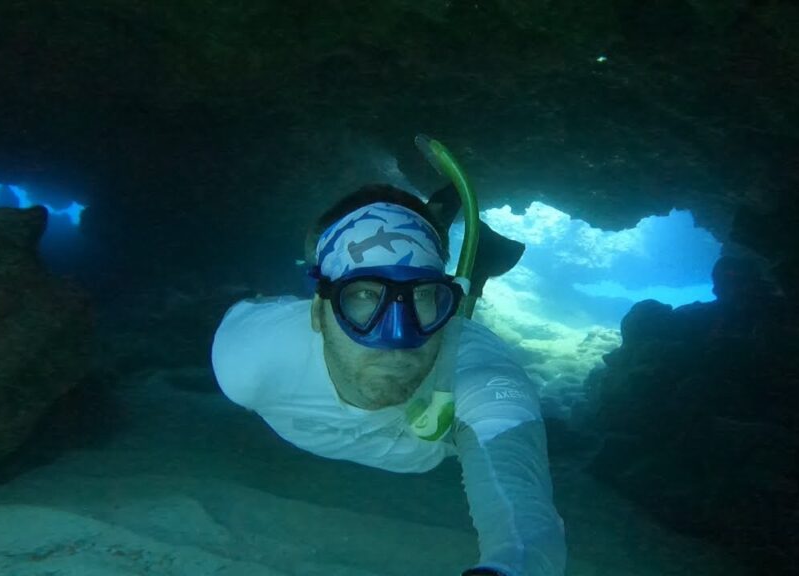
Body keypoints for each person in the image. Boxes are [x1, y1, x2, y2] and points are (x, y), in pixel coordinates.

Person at [211, 184, 566, 576]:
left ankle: (455, 257)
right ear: (316, 312)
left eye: (424, 295)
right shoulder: (251, 358)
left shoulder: (478, 371)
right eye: (363, 295)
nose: (398, 337)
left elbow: (524, 515)